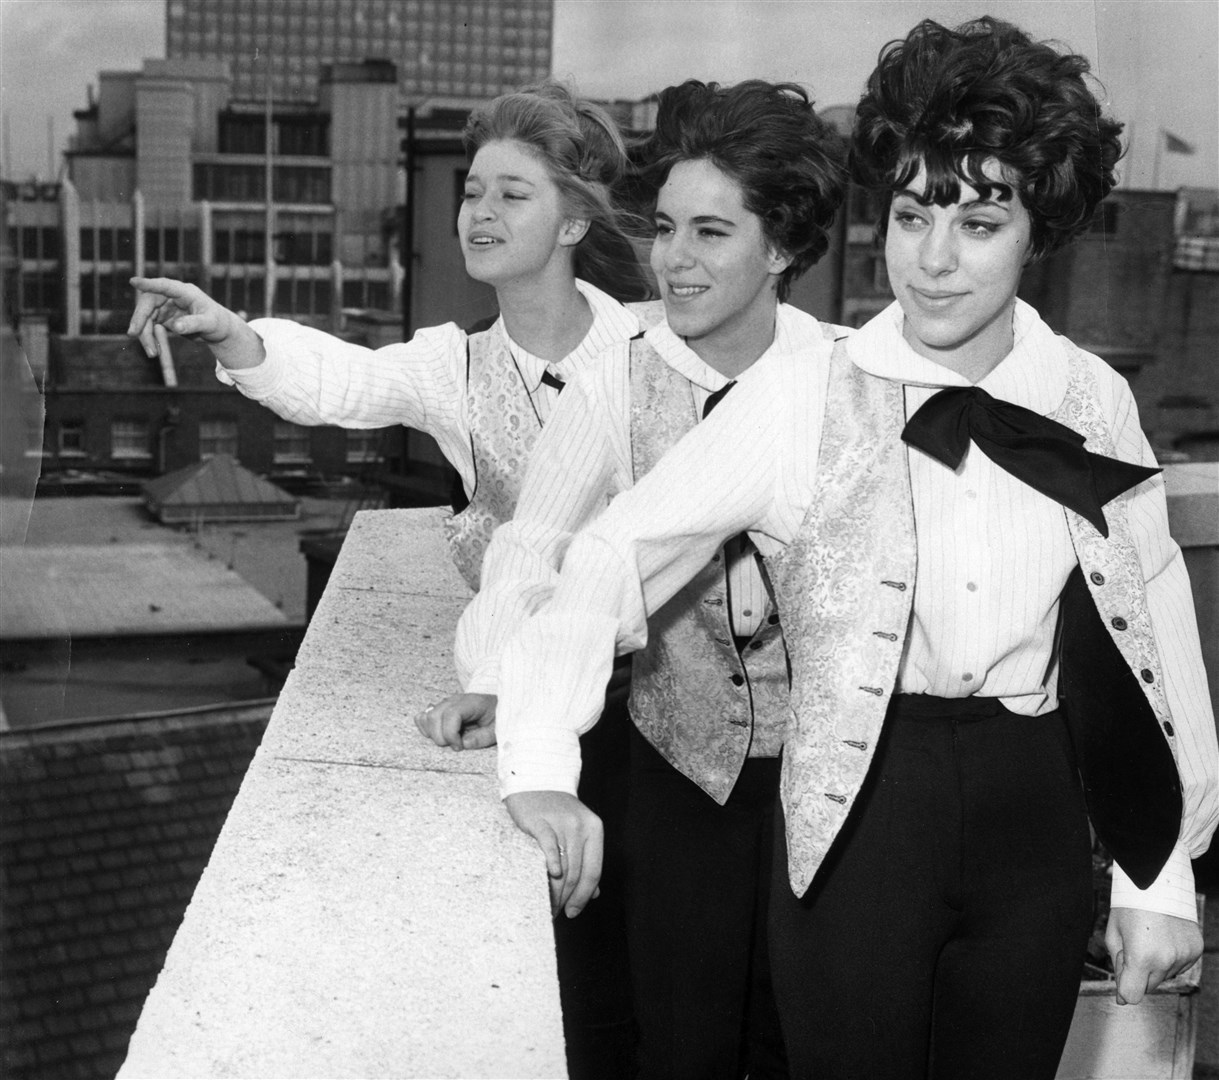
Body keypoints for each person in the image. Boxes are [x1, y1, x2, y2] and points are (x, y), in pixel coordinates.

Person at [485, 19, 1219, 1080]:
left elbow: (1144, 630)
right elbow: (611, 555)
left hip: (1035, 824)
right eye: (913, 213)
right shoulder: (804, 395)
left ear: (1037, 231)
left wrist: (1156, 880)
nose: (932, 257)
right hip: (861, 817)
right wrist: (541, 762)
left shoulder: (1087, 397)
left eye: (978, 220)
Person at [127, 81, 657, 1080]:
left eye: (512, 194)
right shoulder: (450, 363)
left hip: (661, 701)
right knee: (568, 982)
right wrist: (230, 331)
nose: (479, 214)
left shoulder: (650, 348)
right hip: (525, 690)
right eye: (472, 191)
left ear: (575, 218)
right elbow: (347, 385)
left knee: (659, 980)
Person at [421, 79, 846, 1080]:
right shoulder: (620, 365)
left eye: (710, 232)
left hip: (829, 781)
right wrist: (496, 673)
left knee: (801, 1044)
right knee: (679, 1042)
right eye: (664, 229)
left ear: (780, 247)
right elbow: (535, 546)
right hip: (677, 770)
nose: (674, 260)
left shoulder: (845, 379)